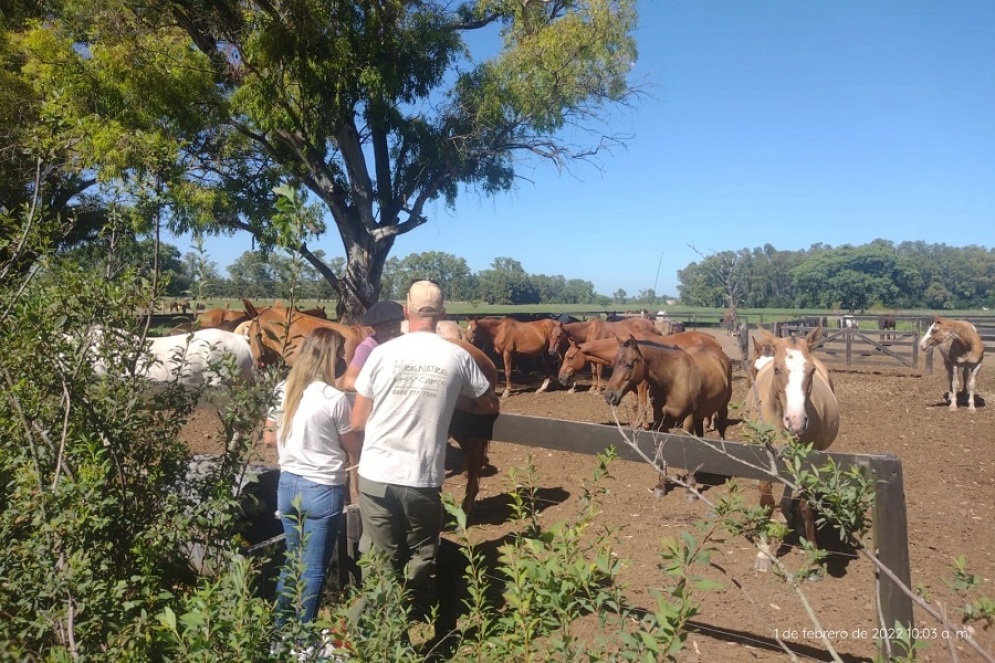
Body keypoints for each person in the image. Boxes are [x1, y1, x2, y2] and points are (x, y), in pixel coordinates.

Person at [349, 280, 499, 639]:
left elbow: (357, 422)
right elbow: (489, 403)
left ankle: (382, 633)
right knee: (421, 555)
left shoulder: (382, 353)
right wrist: (452, 400)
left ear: (406, 311)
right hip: (421, 477)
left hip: (376, 475)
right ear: (443, 314)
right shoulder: (457, 355)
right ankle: (409, 608)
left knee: (379, 558)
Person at [263, 327, 362, 627]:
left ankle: (280, 631)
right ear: (332, 358)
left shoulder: (284, 388)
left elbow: (269, 437)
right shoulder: (334, 398)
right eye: (342, 354)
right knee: (314, 569)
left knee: (293, 561)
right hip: (321, 489)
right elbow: (352, 447)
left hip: (288, 484)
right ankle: (303, 636)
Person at [339, 299, 406, 391]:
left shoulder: (405, 342)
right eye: (386, 326)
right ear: (375, 328)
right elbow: (349, 382)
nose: (392, 330)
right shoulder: (367, 348)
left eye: (395, 324)